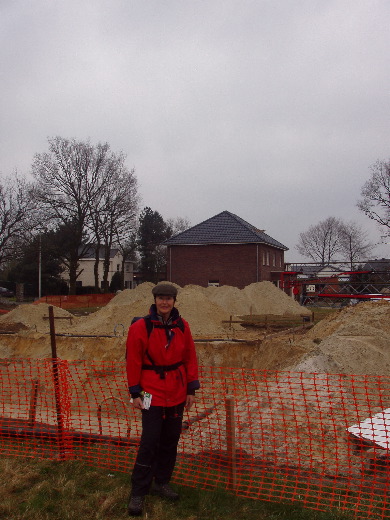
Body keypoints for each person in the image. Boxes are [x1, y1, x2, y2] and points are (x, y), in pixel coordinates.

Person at [126, 283, 200, 517]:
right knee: (149, 441)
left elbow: (189, 357)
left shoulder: (182, 326)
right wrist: (135, 393)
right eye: (160, 298)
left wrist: (191, 388)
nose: (164, 302)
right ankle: (138, 491)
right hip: (149, 392)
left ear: (174, 301)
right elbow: (133, 360)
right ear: (155, 300)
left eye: (168, 298)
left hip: (177, 392)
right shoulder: (141, 327)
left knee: (170, 440)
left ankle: (162, 482)